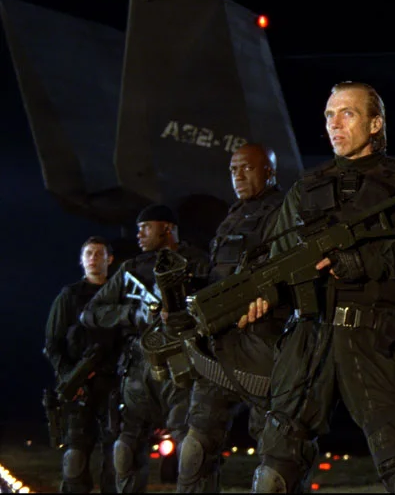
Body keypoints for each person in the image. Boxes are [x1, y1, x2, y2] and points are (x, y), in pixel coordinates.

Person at [245, 82, 395, 493]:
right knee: (272, 477)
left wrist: (365, 261)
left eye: (347, 114)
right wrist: (259, 296)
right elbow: (274, 263)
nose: (334, 124)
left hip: (374, 337)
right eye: (329, 115)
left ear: (375, 124)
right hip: (309, 340)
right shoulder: (306, 188)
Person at [176, 144, 287, 492]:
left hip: (264, 346)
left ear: (269, 171)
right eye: (233, 170)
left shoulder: (284, 211)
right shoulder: (233, 215)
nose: (238, 176)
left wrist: (266, 298)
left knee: (276, 463)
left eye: (246, 168)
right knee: (195, 450)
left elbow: (290, 271)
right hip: (220, 345)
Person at [80, 205, 208, 493]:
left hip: (183, 366)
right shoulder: (131, 269)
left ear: (167, 228)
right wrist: (132, 313)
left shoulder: (198, 263)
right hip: (138, 371)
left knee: (191, 451)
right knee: (125, 451)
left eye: (146, 227)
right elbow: (90, 313)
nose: (138, 234)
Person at [44, 236, 123, 492]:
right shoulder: (69, 296)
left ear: (110, 259)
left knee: (118, 458)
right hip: (79, 387)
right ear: (81, 260)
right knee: (75, 460)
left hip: (114, 385)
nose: (93, 259)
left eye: (99, 254)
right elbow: (53, 344)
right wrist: (70, 377)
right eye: (88, 254)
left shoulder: (121, 295)